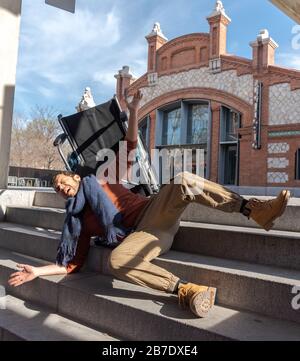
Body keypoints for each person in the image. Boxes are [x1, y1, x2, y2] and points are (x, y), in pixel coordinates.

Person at [8, 90, 290, 318]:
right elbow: (70, 264)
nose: (60, 188)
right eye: (57, 189)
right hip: (142, 237)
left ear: (74, 176)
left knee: (181, 179)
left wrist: (133, 110)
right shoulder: (77, 221)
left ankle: (254, 210)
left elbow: (130, 146)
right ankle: (186, 290)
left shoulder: (102, 177)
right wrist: (37, 271)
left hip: (153, 211)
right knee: (117, 260)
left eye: (62, 182)